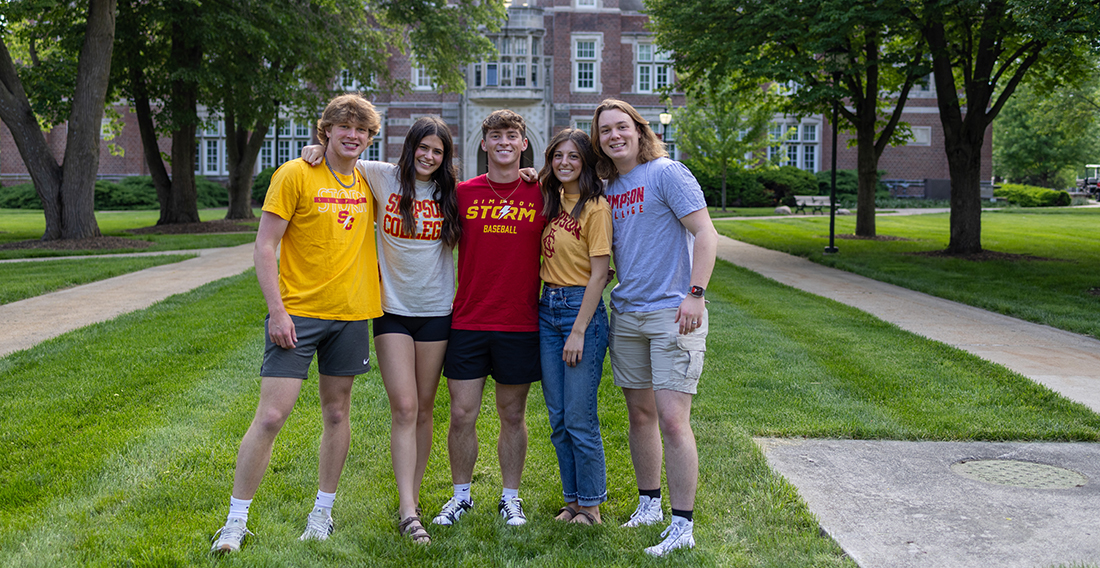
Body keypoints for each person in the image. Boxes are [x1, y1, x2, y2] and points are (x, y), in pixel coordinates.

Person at [210, 93, 383, 553]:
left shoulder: (370, 180)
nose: (353, 135)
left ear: (370, 138)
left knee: (336, 412)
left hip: (350, 314)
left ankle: (322, 513)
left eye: (362, 130)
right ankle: (235, 521)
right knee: (270, 415)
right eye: (344, 127)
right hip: (298, 315)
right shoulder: (294, 174)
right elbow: (265, 246)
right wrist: (278, 310)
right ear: (325, 130)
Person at [300, 115, 460, 544]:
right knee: (404, 406)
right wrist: (314, 150)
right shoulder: (381, 176)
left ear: (445, 158)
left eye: (437, 151)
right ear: (409, 148)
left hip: (436, 311)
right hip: (390, 309)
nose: (428, 156)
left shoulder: (451, 194)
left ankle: (413, 495)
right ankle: (409, 512)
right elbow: (339, 162)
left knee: (425, 407)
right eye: (422, 148)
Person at [591, 99, 718, 557]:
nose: (614, 136)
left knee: (672, 419)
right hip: (627, 313)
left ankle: (682, 525)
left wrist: (696, 293)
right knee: (640, 415)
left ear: (639, 130)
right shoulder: (609, 185)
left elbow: (705, 233)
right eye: (605, 131)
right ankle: (649, 504)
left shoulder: (668, 173)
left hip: (673, 312)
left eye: (621, 127)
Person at [433, 109, 545, 528]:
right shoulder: (461, 193)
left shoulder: (541, 193)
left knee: (512, 415)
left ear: (523, 143)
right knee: (462, 414)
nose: (503, 142)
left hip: (519, 321)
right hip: (468, 320)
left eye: (511, 136)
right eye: (495, 135)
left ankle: (510, 497)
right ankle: (460, 496)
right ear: (484, 144)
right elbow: (405, 180)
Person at [536, 129, 612, 526]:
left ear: (585, 162)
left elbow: (600, 275)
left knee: (580, 417)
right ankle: (573, 500)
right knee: (558, 417)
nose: (564, 163)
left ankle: (592, 506)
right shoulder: (548, 200)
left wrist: (579, 330)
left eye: (573, 157)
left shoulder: (595, 207)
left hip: (579, 312)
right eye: (558, 156)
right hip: (546, 310)